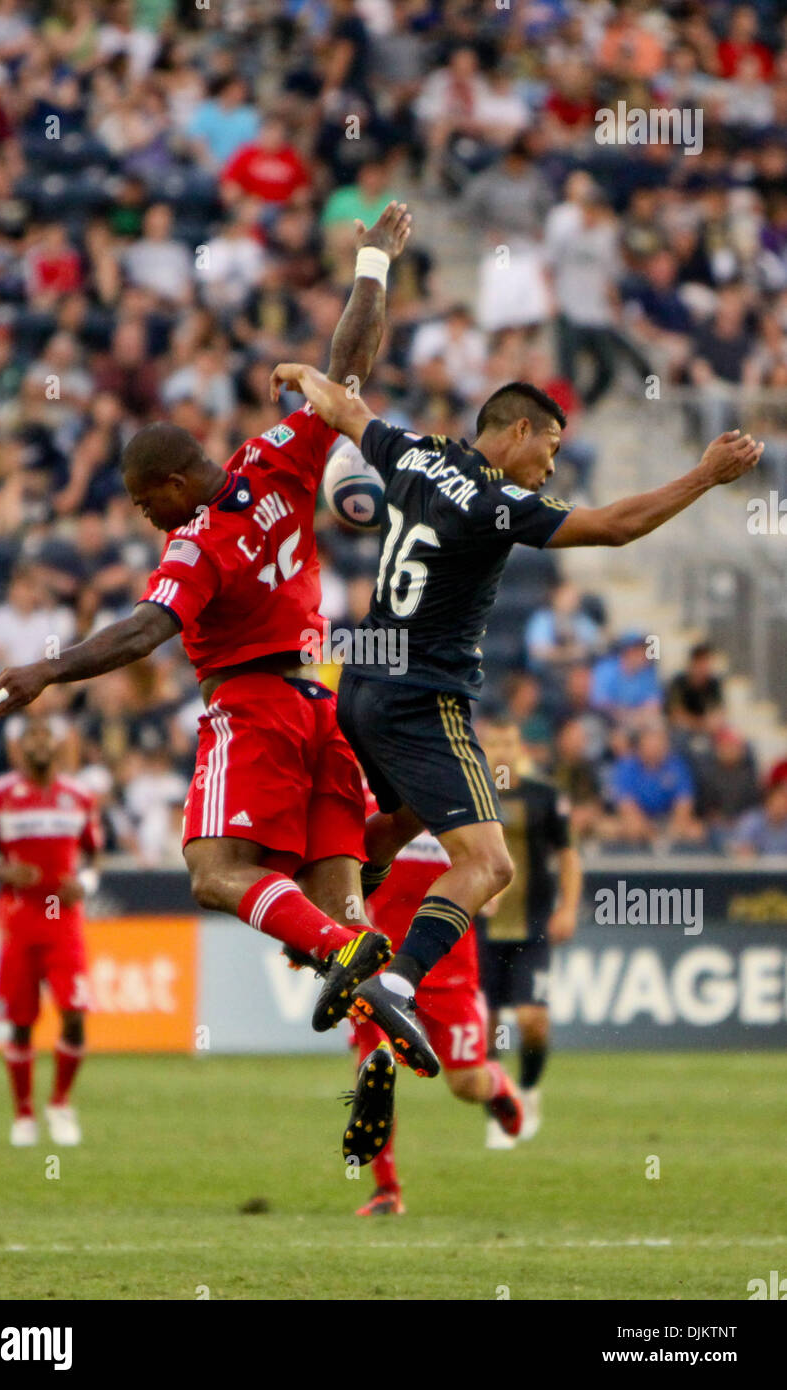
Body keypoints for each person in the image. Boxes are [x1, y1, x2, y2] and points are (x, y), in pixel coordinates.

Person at [0, 205, 428, 1149]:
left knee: (215, 874)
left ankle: (354, 954)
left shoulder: (196, 544)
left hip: (255, 708)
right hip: (324, 705)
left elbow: (145, 632)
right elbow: (348, 367)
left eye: (146, 501)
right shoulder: (278, 458)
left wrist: (45, 670)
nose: (145, 518)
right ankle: (376, 1025)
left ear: (177, 483)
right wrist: (374, 263)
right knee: (336, 911)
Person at [265, 356, 763, 1077]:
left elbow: (347, 410)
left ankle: (318, 933)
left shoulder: (414, 454)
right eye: (551, 449)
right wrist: (703, 475)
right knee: (488, 864)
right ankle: (396, 983)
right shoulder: (494, 502)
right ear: (520, 430)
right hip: (422, 697)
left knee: (404, 823)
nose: (552, 467)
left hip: (362, 683)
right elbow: (616, 526)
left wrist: (305, 373)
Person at [345, 795, 522, 1214]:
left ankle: (494, 1084)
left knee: (465, 1085)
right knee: (374, 1075)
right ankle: (387, 1190)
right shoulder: (368, 802)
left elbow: (499, 864)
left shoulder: (453, 795)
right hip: (380, 965)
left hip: (449, 968)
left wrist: (491, 892)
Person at [0, 717, 102, 1147]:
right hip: (20, 920)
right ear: (19, 747)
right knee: (21, 1023)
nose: (39, 743)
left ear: (57, 745)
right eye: (31, 737)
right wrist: (4, 869)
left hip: (64, 922)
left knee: (74, 1014)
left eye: (46, 735)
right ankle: (23, 1114)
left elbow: (94, 857)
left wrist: (87, 884)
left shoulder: (79, 797)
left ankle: (59, 1103)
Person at [474, 719, 580, 1149]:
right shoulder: (471, 794)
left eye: (508, 742)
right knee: (486, 1026)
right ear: (482, 746)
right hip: (479, 931)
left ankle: (530, 1089)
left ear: (520, 747)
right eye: (493, 742)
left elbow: (569, 856)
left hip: (532, 928)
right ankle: (501, 1110)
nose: (501, 750)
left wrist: (569, 908)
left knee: (533, 1020)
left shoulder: (545, 796)